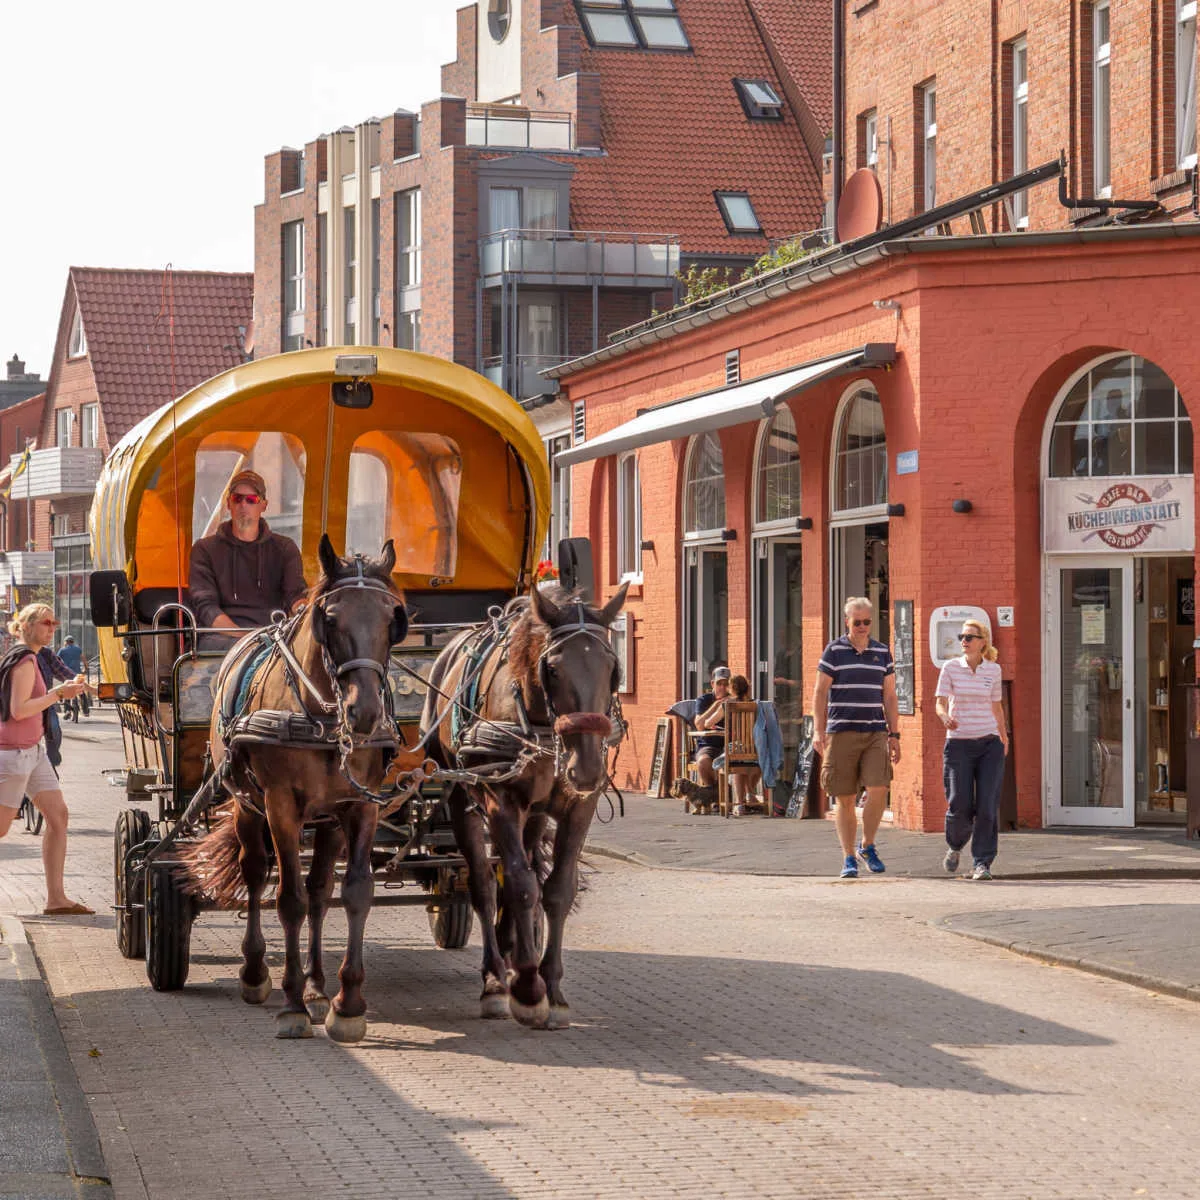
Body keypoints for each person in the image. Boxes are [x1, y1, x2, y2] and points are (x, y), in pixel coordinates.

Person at [0, 604, 91, 915]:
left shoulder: (33, 656)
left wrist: (68, 689)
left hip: (33, 752)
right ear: (26, 626)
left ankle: (56, 899)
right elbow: (18, 710)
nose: (52, 628)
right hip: (13, 754)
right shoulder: (24, 660)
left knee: (58, 816)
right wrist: (59, 694)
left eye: (54, 623)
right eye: (45, 623)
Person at [812, 596, 901, 879]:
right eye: (857, 622)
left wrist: (894, 733)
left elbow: (889, 695)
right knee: (846, 797)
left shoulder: (882, 652)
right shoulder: (834, 651)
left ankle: (868, 845)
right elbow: (819, 692)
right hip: (841, 731)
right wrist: (818, 729)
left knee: (879, 788)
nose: (862, 627)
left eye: (867, 622)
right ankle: (848, 856)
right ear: (846, 622)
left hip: (875, 729)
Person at [188, 469, 307, 646]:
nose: (243, 504)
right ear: (229, 503)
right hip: (221, 639)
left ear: (264, 505)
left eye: (251, 500)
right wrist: (245, 639)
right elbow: (206, 607)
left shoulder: (285, 548)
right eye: (237, 498)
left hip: (274, 637)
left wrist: (307, 609)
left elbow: (295, 595)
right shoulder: (204, 549)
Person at [935, 618, 1008, 880]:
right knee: (959, 803)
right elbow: (940, 703)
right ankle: (955, 846)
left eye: (969, 637)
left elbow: (996, 706)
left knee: (988, 805)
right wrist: (944, 717)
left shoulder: (993, 670)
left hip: (989, 743)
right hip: (958, 744)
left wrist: (1003, 735)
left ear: (982, 641)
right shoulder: (951, 668)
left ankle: (982, 863)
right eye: (962, 637)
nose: (964, 641)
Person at [693, 666, 732, 788]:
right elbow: (699, 725)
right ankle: (714, 793)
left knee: (751, 760)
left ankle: (742, 798)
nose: (722, 687)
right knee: (703, 762)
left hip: (730, 745)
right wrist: (715, 706)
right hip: (708, 745)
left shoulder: (734, 700)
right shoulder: (704, 700)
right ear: (712, 684)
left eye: (726, 684)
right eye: (719, 683)